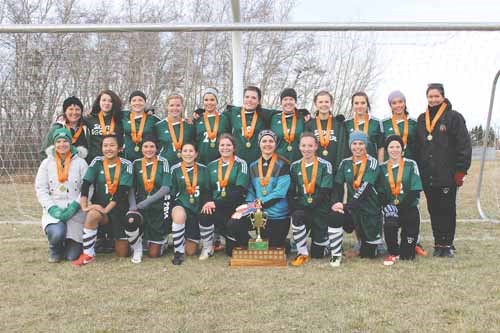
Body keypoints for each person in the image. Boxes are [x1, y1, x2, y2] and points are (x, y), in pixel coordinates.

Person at [416, 83, 471, 257]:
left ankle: (447, 244)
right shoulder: (421, 119)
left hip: (447, 175)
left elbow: (464, 145)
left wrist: (461, 171)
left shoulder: (454, 117)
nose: (433, 100)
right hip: (428, 175)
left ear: (443, 96)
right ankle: (438, 243)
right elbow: (418, 147)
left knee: (447, 209)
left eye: (436, 96)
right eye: (430, 97)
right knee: (434, 209)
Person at [226, 130, 291, 255]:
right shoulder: (253, 166)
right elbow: (251, 191)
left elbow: (279, 193)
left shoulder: (283, 165)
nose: (267, 144)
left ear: (275, 144)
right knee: (234, 223)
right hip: (258, 213)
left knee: (275, 248)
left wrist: (253, 205)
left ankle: (285, 242)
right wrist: (247, 209)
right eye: (264, 141)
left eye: (271, 141)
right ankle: (249, 245)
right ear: (259, 144)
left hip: (278, 216)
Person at [72, 134, 133, 266]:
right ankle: (88, 254)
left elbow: (121, 192)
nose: (108, 149)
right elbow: (86, 184)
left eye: (112, 145)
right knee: (92, 214)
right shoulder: (97, 161)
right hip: (100, 211)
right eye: (105, 145)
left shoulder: (126, 164)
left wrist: (105, 209)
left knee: (122, 254)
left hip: (119, 211)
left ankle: (124, 239)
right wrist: (84, 206)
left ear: (120, 148)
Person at [289, 132, 344, 267]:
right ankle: (302, 252)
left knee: (318, 254)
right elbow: (291, 191)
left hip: (320, 209)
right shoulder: (294, 166)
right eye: (303, 145)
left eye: (310, 145)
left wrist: (312, 205)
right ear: (299, 147)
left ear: (315, 147)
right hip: (304, 209)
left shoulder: (325, 165)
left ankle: (328, 245)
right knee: (297, 215)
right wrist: (297, 206)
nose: (306, 149)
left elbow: (325, 191)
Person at [35, 128, 88, 262]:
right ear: (54, 143)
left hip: (75, 211)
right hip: (54, 210)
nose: (62, 144)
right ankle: (55, 247)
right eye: (58, 141)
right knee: (57, 234)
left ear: (70, 143)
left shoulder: (81, 162)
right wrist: (52, 208)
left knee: (72, 257)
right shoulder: (46, 163)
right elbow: (41, 189)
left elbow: (88, 187)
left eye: (65, 141)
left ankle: (71, 244)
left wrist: (76, 205)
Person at [331, 131, 382, 259]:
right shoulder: (345, 163)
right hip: (353, 209)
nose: (357, 147)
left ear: (366, 145)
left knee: (369, 255)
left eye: (361, 143)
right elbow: (338, 185)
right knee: (335, 215)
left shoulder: (372, 162)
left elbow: (365, 188)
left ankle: (375, 244)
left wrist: (346, 205)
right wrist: (337, 204)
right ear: (350, 145)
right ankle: (335, 249)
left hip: (370, 209)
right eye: (354, 143)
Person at [199, 133, 249, 259]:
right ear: (218, 147)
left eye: (228, 145)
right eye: (222, 145)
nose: (225, 148)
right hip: (216, 206)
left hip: (234, 207)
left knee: (231, 252)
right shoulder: (211, 166)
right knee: (205, 212)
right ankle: (207, 247)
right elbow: (206, 189)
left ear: (234, 147)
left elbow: (239, 191)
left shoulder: (241, 164)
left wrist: (215, 203)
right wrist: (207, 202)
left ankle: (233, 237)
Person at [378, 135, 423, 266]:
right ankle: (393, 251)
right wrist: (388, 205)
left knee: (408, 256)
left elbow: (415, 190)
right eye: (391, 147)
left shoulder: (411, 164)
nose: (394, 150)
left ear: (402, 149)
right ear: (387, 150)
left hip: (409, 207)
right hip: (392, 208)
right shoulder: (382, 168)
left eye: (397, 146)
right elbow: (380, 191)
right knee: (390, 222)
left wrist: (401, 206)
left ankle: (409, 246)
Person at [127, 133, 171, 263]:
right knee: (131, 219)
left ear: (156, 148)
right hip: (140, 206)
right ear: (141, 148)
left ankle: (163, 241)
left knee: (154, 254)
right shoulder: (136, 163)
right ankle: (138, 247)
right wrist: (133, 205)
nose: (149, 149)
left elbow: (166, 188)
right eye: (145, 146)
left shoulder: (163, 162)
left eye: (152, 146)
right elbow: (131, 187)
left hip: (158, 206)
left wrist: (146, 202)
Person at [168, 142, 210, 265]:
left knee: (191, 251)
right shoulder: (175, 169)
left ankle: (188, 240)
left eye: (191, 151)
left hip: (197, 208)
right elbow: (171, 193)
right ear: (180, 153)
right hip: (182, 204)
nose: (188, 154)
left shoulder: (204, 169)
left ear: (196, 154)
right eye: (185, 151)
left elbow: (207, 190)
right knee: (179, 214)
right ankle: (178, 251)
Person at [305, 90, 349, 171]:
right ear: (316, 104)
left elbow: (342, 149)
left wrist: (339, 169)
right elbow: (306, 148)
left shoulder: (339, 124)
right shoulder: (309, 125)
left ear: (331, 103)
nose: (324, 104)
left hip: (335, 170)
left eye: (326, 102)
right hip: (315, 170)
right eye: (320, 102)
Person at [40, 96, 89, 161]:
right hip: (60, 169)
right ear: (65, 111)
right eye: (71, 109)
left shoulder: (86, 128)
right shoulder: (57, 128)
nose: (74, 112)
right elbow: (43, 152)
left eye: (77, 109)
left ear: (81, 111)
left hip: (81, 168)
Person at [155, 93, 195, 166]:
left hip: (184, 167)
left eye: (178, 105)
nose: (175, 108)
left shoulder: (189, 126)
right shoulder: (159, 126)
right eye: (172, 105)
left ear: (182, 107)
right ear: (167, 107)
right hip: (164, 166)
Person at [194, 88, 231, 165]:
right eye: (206, 100)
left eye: (212, 100)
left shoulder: (224, 118)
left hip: (221, 162)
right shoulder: (197, 119)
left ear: (217, 101)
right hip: (200, 162)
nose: (209, 102)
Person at [86, 90, 123, 164]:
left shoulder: (120, 118)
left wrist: (148, 111)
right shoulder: (90, 119)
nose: (106, 103)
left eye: (110, 101)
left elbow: (135, 114)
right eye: (104, 100)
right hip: (95, 162)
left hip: (115, 162)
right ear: (99, 102)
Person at [345, 92, 384, 162]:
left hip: (371, 166)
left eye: (363, 103)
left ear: (367, 105)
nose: (360, 106)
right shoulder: (347, 123)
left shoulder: (377, 123)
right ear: (352, 105)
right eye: (356, 103)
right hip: (352, 165)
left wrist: (380, 165)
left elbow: (380, 147)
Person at [122, 90, 160, 162]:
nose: (137, 103)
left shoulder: (152, 118)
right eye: (134, 100)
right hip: (126, 159)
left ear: (145, 103)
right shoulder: (124, 115)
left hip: (147, 160)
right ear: (130, 103)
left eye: (140, 100)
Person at [270, 88, 306, 163]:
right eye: (285, 99)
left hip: (299, 161)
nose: (288, 102)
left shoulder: (302, 118)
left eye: (291, 99)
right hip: (278, 162)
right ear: (281, 102)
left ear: (295, 101)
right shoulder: (274, 118)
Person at [381, 91, 418, 161]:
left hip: (409, 164)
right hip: (389, 165)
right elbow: (381, 148)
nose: (398, 105)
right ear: (390, 105)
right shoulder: (384, 123)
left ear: (405, 103)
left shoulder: (414, 122)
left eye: (400, 102)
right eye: (394, 103)